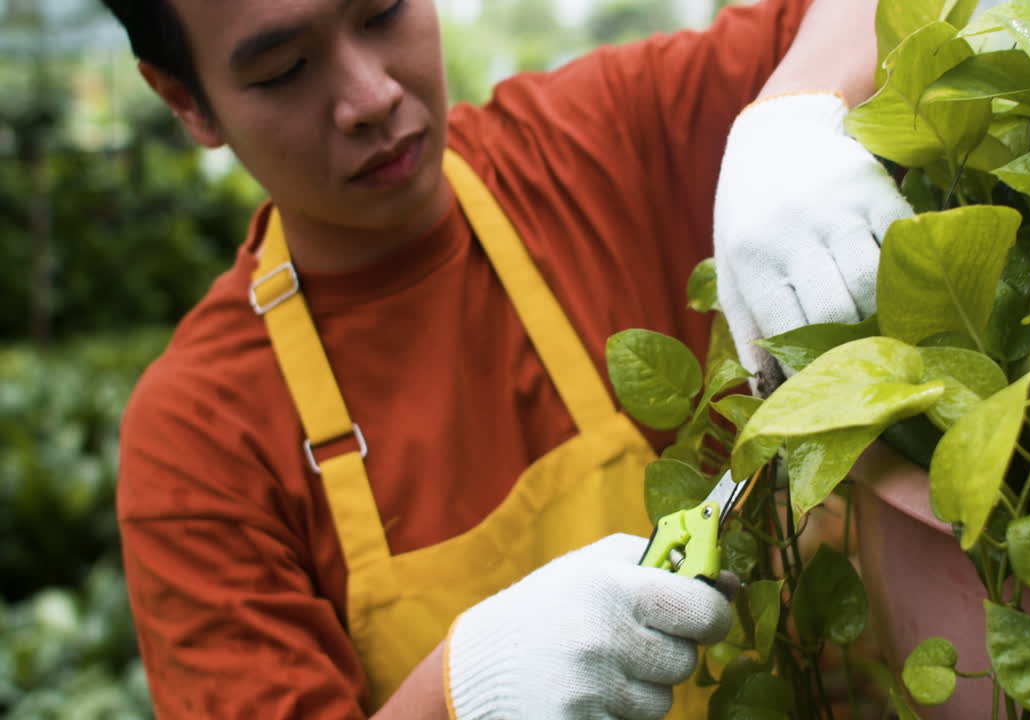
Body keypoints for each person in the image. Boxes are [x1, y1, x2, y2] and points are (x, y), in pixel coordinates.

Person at [102, 0, 912, 717]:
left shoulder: (596, 147)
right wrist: (462, 695)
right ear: (186, 101)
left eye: (382, 13)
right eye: (284, 70)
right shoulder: (198, 440)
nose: (371, 96)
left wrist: (796, 113)